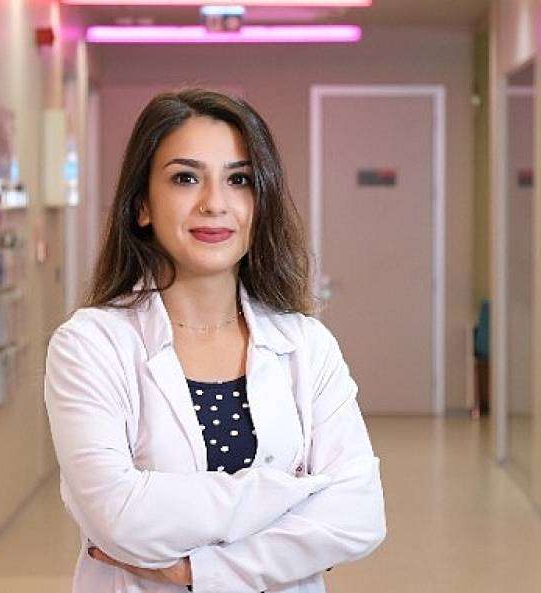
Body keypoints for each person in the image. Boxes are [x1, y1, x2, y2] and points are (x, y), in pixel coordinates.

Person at [44, 89, 386, 593]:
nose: (215, 203)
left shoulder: (307, 345)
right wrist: (295, 494)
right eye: (186, 178)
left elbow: (359, 517)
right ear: (142, 205)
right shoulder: (89, 345)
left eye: (239, 179)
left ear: (260, 203)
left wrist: (200, 572)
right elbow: (118, 517)